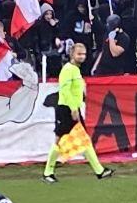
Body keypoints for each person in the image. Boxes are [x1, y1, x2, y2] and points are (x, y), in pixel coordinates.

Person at [43, 42, 112, 183]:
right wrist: (73, 108)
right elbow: (65, 90)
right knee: (61, 140)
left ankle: (99, 171)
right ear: (72, 54)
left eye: (84, 54)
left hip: (73, 108)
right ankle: (48, 172)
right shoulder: (68, 70)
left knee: (82, 139)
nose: (82, 57)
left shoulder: (75, 70)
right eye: (79, 54)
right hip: (66, 109)